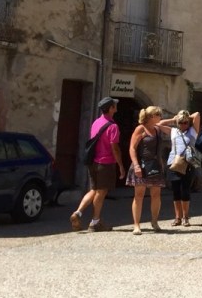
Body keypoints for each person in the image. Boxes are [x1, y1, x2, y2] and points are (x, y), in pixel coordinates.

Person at [70, 97, 125, 232]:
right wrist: (121, 165)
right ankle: (95, 222)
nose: (116, 107)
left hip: (93, 162)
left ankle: (78, 213)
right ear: (111, 108)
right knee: (101, 192)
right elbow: (114, 147)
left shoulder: (96, 123)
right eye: (114, 105)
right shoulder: (113, 126)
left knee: (94, 190)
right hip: (105, 163)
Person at [126, 106, 168, 234]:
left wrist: (161, 164)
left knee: (156, 194)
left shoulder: (157, 129)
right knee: (139, 195)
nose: (160, 117)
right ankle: (136, 225)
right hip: (141, 165)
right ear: (151, 116)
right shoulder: (140, 129)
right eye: (158, 115)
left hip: (155, 165)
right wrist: (136, 165)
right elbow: (132, 148)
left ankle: (154, 222)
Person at [165, 109, 201, 227]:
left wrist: (185, 116)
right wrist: (174, 119)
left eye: (185, 122)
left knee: (185, 190)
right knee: (176, 191)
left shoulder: (192, 131)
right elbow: (158, 124)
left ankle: (186, 217)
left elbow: (197, 114)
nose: (183, 125)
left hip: (188, 164)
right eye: (181, 122)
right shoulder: (173, 131)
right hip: (174, 163)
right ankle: (177, 217)